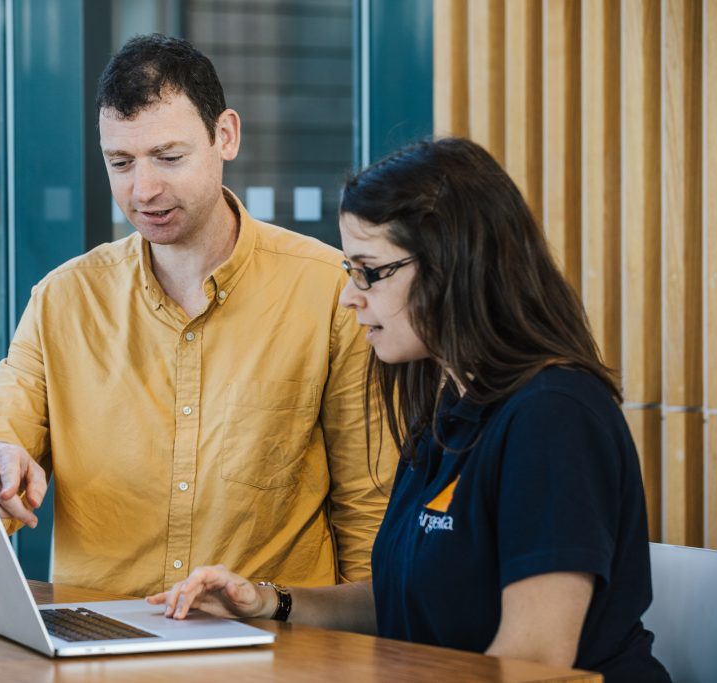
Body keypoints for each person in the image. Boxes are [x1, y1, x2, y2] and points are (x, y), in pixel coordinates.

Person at [149, 137, 671, 682]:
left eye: (369, 271)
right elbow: (405, 600)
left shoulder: (555, 418)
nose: (351, 296)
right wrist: (268, 603)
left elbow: (532, 662)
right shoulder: (451, 406)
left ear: (452, 266)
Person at [0, 34, 394, 597]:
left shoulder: (328, 292)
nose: (144, 190)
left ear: (226, 136)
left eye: (169, 158)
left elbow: (368, 514)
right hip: (100, 648)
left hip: (270, 657)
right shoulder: (61, 300)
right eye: (120, 163)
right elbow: (1, 435)